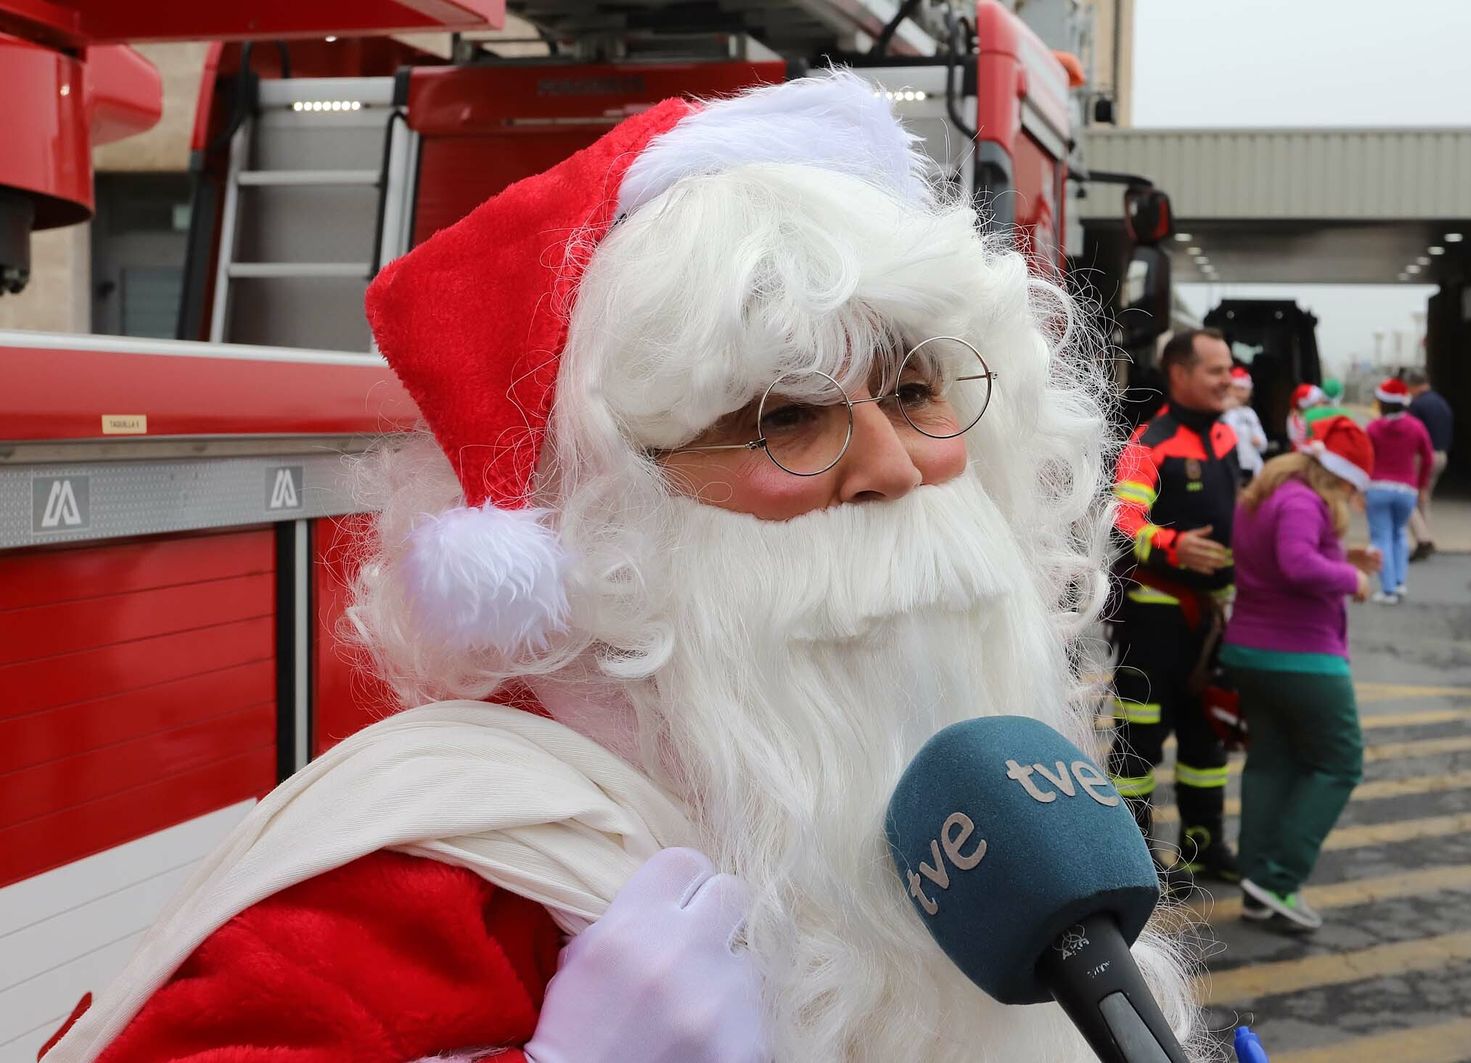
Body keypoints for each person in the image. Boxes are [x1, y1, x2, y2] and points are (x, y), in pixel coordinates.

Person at [40, 75, 1203, 1063]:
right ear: (613, 508)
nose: (894, 468)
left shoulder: (1009, 828)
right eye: (787, 417)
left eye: (912, 391)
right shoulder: (450, 872)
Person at [1224, 416, 1378, 933]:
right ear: (1337, 476)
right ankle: (1280, 878)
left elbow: (1277, 557)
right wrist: (1351, 577)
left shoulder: (1268, 495)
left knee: (1272, 763)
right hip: (1301, 657)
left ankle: (1256, 884)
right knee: (1340, 762)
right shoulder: (1302, 501)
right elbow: (1296, 563)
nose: (1351, 499)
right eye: (1352, 488)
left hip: (1252, 651)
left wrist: (1343, 554)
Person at [1110, 327, 1242, 884]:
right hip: (1155, 620)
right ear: (1180, 374)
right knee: (1138, 746)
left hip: (1211, 621)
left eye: (1229, 368)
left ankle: (1203, 845)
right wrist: (1173, 546)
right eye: (1216, 370)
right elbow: (1120, 524)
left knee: (1205, 740)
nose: (1228, 379)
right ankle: (1134, 858)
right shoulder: (1148, 444)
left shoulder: (1227, 438)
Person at [1364, 377, 1434, 604]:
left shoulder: (1373, 428)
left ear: (1382, 403)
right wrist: (1422, 485)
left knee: (1381, 537)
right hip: (1406, 489)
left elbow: (1364, 457)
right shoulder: (1416, 426)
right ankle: (1400, 583)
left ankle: (1388, 590)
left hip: (1377, 488)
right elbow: (1428, 457)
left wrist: (1359, 486)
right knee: (1399, 534)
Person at [1404, 368, 1453, 560]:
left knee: (1407, 498)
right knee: (1423, 499)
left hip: (1423, 457)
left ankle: (1424, 539)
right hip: (1441, 454)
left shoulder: (1416, 406)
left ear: (1413, 385)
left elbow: (1411, 433)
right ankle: (1426, 538)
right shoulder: (1441, 402)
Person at [1222, 366, 1267, 484]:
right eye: (1236, 388)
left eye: (1243, 389)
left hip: (1253, 467)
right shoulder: (1222, 412)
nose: (1239, 393)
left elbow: (1263, 443)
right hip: (1232, 466)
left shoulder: (1250, 413)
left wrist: (1259, 441)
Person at [1286, 382, 1326, 449]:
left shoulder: (1305, 415)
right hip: (1302, 451)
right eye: (1319, 401)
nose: (1321, 404)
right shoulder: (1298, 417)